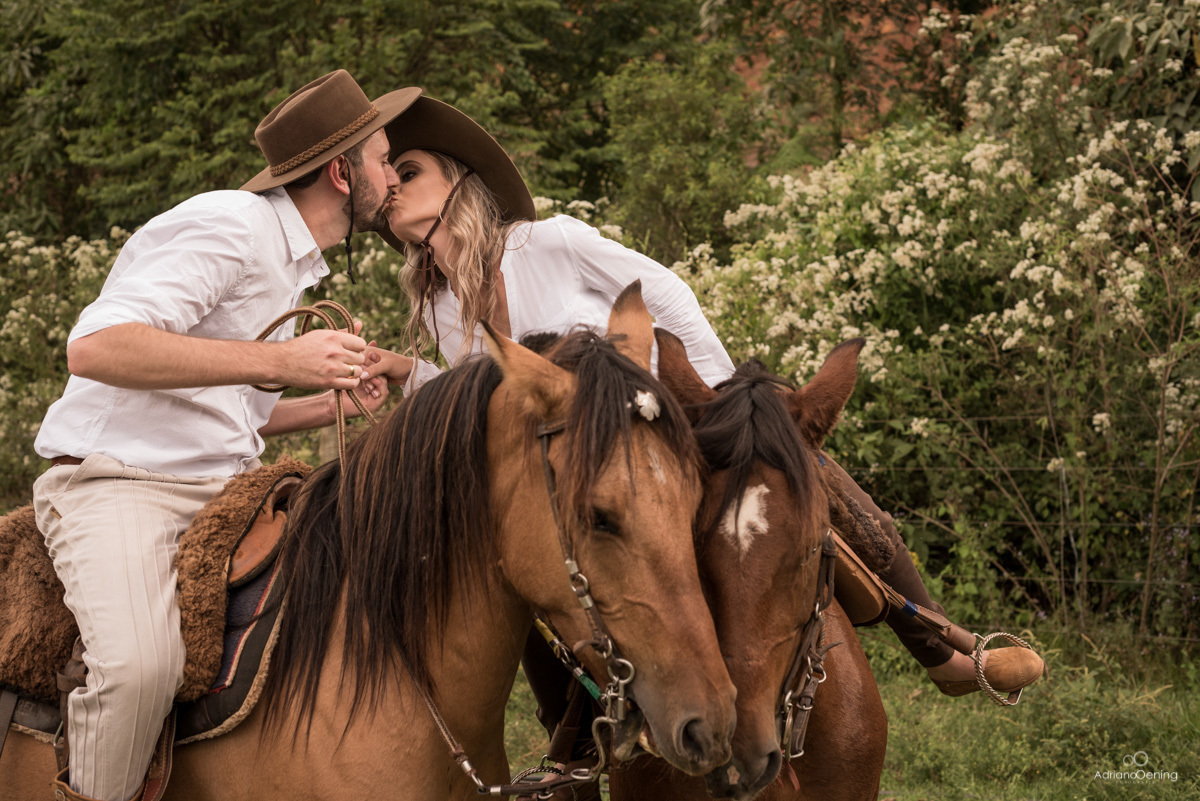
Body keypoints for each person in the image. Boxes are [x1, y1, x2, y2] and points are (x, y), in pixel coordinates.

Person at [363, 96, 1045, 699]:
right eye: (387, 174)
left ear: (460, 180)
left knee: (803, 473)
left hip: (665, 419)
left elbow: (665, 295)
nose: (391, 184)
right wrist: (405, 370)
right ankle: (573, 738)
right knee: (521, 564)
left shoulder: (550, 243)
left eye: (411, 169)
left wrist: (715, 403)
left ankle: (940, 649)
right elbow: (498, 394)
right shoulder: (440, 306)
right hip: (585, 464)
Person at [32, 70, 420, 801]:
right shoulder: (230, 225)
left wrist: (324, 392)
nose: (392, 176)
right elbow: (97, 346)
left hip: (226, 490)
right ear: (341, 173)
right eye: (381, 159)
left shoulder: (290, 261)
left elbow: (231, 409)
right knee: (138, 671)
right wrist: (284, 359)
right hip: (121, 482)